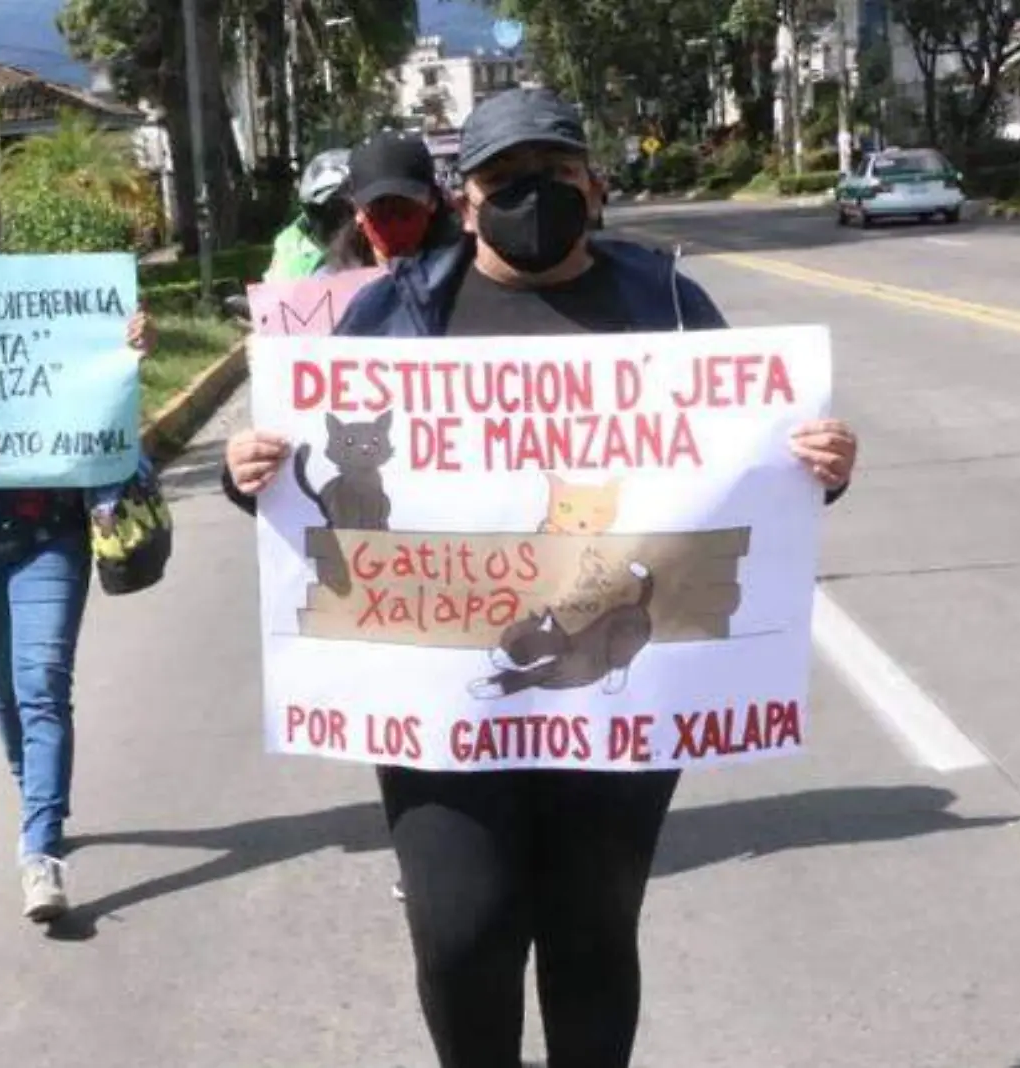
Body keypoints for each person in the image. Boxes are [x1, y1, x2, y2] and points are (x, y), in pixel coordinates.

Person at [220, 88, 860, 1068]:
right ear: (464, 199)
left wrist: (815, 470)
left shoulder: (674, 304)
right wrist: (246, 476)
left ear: (593, 187)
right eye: (504, 178)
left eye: (554, 173)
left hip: (617, 689)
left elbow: (745, 479)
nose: (532, 194)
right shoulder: (390, 313)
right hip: (436, 693)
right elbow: (318, 479)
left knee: (592, 932)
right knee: (459, 933)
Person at [0, 173, 146, 922]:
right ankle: (35, 797)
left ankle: (39, 848)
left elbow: (92, 394)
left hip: (51, 530)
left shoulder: (48, 307)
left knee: (43, 679)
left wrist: (122, 352)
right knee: (4, 687)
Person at [320, 132, 463, 276]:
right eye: (380, 211)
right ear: (358, 212)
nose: (394, 226)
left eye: (404, 209)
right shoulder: (331, 284)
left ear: (432, 202)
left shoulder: (461, 273)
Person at [265, 149, 353, 282]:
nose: (334, 221)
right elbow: (274, 293)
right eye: (319, 211)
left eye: (340, 211)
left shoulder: (376, 237)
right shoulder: (291, 243)